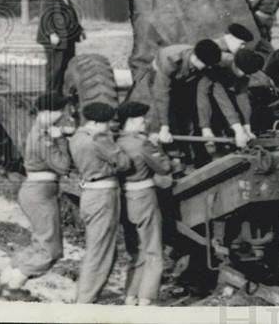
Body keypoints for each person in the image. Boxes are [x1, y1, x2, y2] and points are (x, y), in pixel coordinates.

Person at [0, 94, 75, 296]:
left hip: (36, 192)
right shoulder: (44, 137)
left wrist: (59, 134)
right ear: (48, 112)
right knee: (51, 249)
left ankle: (8, 277)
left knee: (39, 242)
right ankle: (13, 288)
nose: (61, 115)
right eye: (59, 111)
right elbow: (63, 166)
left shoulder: (40, 130)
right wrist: (60, 139)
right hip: (40, 194)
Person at [69, 102, 132, 304]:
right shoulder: (99, 139)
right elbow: (124, 163)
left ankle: (85, 297)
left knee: (96, 247)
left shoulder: (78, 137)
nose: (108, 127)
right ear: (97, 123)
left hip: (88, 193)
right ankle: (85, 302)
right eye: (106, 123)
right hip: (104, 195)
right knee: (100, 252)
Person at [115, 101, 172, 307]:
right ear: (131, 121)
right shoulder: (142, 143)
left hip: (125, 199)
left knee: (135, 251)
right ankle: (147, 299)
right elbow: (164, 167)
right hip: (144, 197)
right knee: (153, 250)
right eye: (141, 118)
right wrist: (158, 146)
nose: (145, 121)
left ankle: (130, 296)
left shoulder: (116, 142)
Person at [149, 39, 222, 144]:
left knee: (186, 111)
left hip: (184, 77)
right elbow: (161, 96)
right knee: (166, 111)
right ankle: (162, 141)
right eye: (207, 65)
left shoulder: (205, 61)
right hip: (159, 74)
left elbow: (202, 97)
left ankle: (191, 148)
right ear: (196, 59)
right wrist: (164, 128)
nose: (209, 67)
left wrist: (206, 128)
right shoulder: (171, 60)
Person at [195, 48, 265, 149]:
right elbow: (222, 100)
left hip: (222, 90)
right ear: (235, 66)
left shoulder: (244, 70)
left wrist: (247, 126)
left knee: (233, 124)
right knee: (208, 130)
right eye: (244, 73)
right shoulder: (219, 64)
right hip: (199, 91)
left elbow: (243, 98)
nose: (245, 75)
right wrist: (206, 127)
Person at [36, 0, 85, 94]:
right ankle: (51, 95)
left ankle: (63, 93)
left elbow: (71, 14)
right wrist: (52, 34)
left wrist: (79, 30)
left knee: (67, 66)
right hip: (55, 40)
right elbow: (45, 17)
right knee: (55, 68)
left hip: (68, 38)